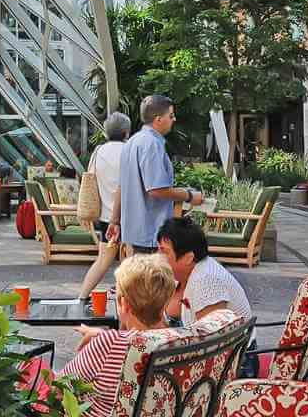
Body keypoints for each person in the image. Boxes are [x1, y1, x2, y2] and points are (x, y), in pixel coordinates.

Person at [58, 256, 186, 416]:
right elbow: (144, 340)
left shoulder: (109, 344)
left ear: (124, 304)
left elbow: (60, 386)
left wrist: (104, 340)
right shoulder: (183, 340)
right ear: (165, 301)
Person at [155, 216, 257, 377]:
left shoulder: (207, 281)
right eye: (158, 250)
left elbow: (211, 346)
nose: (158, 257)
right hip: (210, 358)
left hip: (237, 365)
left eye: (164, 252)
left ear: (188, 257)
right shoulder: (180, 276)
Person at [108, 95, 203, 255]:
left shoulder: (132, 142)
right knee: (151, 279)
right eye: (171, 116)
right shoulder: (151, 144)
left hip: (133, 233)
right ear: (158, 119)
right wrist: (189, 195)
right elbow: (156, 190)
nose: (174, 119)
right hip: (150, 233)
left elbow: (121, 187)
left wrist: (115, 220)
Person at [77, 112, 130, 299]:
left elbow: (91, 177)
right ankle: (125, 304)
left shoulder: (99, 151)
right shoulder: (129, 150)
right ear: (126, 132)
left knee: (102, 260)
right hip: (127, 216)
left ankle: (82, 297)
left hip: (105, 216)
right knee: (130, 263)